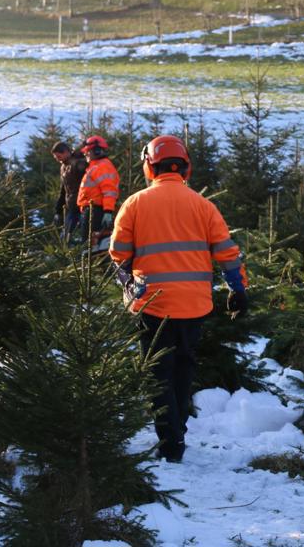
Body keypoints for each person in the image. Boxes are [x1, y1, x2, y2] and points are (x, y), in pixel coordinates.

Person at [109, 135, 248, 463]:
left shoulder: (135, 204)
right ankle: (177, 429)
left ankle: (171, 442)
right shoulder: (203, 206)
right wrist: (238, 290)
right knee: (183, 369)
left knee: (158, 372)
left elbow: (119, 253)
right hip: (194, 305)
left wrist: (128, 282)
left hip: (151, 305)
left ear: (149, 166)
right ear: (185, 166)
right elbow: (227, 253)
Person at [76, 135, 120, 248]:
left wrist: (108, 212)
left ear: (96, 151)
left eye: (87, 151)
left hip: (96, 211)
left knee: (91, 245)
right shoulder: (95, 166)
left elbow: (110, 191)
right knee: (89, 243)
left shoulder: (103, 167)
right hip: (91, 210)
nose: (85, 154)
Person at [51, 140, 87, 241]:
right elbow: (63, 189)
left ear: (66, 152)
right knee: (66, 235)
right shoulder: (63, 167)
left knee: (84, 234)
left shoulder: (79, 163)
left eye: (59, 157)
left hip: (82, 205)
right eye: (56, 158)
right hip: (71, 206)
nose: (58, 160)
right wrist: (58, 210)